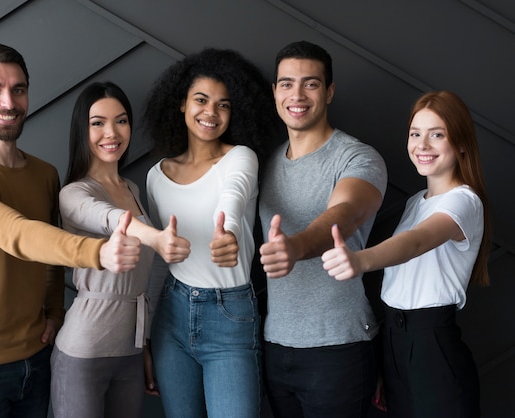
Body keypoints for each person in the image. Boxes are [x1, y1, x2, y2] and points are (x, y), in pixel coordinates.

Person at [0, 44, 141, 418]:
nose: (8, 101)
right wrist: (98, 253)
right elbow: (18, 234)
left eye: (18, 89)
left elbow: (50, 262)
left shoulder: (44, 174)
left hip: (36, 354)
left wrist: (55, 313)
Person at [322, 90, 490, 418]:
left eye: (436, 134)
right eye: (415, 134)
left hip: (433, 345)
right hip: (396, 341)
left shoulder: (465, 201)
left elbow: (416, 243)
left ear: (461, 143)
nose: (422, 145)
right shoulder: (416, 201)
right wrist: (391, 363)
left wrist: (360, 260)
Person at [143, 48, 278, 418]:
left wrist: (229, 234)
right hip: (171, 310)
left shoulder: (240, 157)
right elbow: (158, 259)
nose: (211, 113)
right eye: (201, 100)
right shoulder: (156, 176)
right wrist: (147, 338)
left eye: (224, 105)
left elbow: (233, 198)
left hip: (229, 313)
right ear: (181, 105)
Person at [258, 40, 388, 417]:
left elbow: (346, 211)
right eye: (286, 83)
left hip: (340, 349)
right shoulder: (264, 164)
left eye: (310, 83)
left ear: (329, 92)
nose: (296, 94)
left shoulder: (357, 156)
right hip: (275, 345)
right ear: (275, 92)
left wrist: (296, 247)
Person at [50, 81, 191, 418]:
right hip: (82, 354)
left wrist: (142, 345)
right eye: (97, 122)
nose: (111, 132)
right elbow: (109, 219)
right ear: (81, 130)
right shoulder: (74, 193)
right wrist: (155, 237)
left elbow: (151, 275)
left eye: (121, 120)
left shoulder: (132, 187)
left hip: (130, 354)